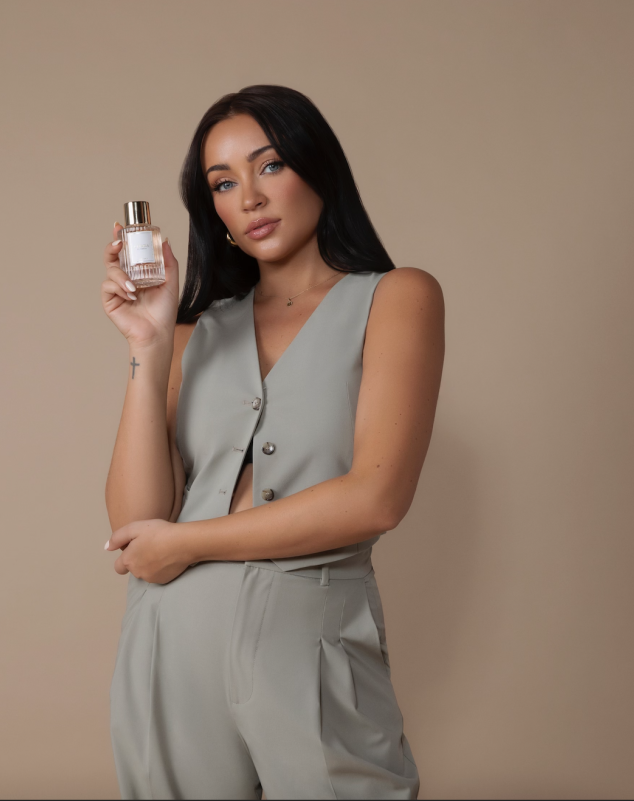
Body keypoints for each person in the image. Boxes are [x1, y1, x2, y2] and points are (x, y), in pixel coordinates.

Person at [99, 84, 444, 800]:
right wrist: (152, 343)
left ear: (319, 169)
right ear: (213, 210)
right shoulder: (194, 334)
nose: (249, 197)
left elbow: (375, 498)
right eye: (224, 183)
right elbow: (134, 519)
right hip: (171, 645)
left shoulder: (396, 298)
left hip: (309, 648)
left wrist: (189, 542)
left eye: (270, 166)